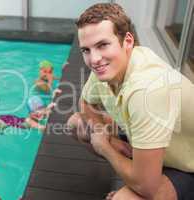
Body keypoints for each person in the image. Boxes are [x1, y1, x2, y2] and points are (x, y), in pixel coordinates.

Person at [67, 3, 194, 200]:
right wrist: (107, 136)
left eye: (102, 45)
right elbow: (86, 103)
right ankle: (139, 173)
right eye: (86, 50)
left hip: (187, 165)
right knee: (76, 123)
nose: (94, 59)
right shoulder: (107, 68)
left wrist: (106, 148)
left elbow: (147, 187)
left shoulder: (147, 91)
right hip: (149, 145)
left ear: (127, 41)